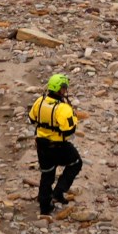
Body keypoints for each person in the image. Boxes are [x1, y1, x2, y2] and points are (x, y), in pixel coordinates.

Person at [29, 74, 83, 215]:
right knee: (76, 163)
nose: (65, 91)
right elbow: (69, 130)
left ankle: (44, 206)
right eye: (64, 88)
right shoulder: (63, 108)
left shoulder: (39, 102)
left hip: (41, 145)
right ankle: (59, 191)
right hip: (58, 146)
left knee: (47, 173)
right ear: (60, 90)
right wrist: (74, 118)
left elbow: (31, 118)